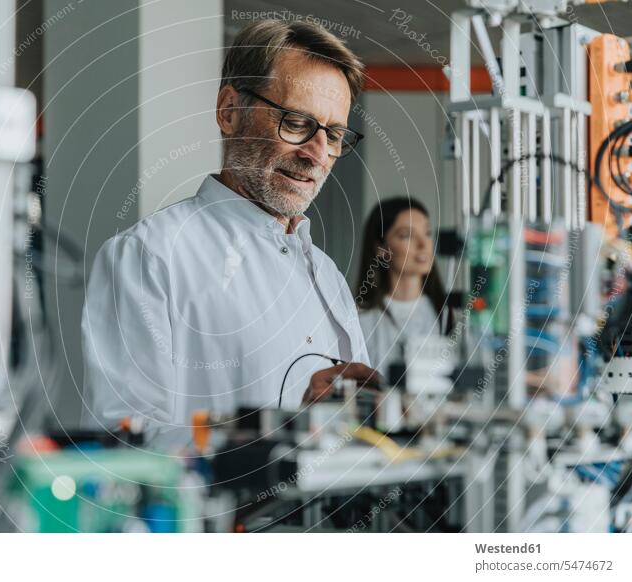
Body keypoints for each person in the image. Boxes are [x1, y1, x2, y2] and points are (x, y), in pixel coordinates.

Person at [82, 20, 379, 447]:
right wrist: (287, 432)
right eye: (296, 122)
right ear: (229, 111)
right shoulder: (149, 256)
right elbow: (128, 447)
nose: (317, 155)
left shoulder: (327, 275)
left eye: (333, 135)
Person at [355, 197, 451, 378]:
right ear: (382, 249)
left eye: (427, 233)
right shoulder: (359, 320)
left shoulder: (450, 315)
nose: (423, 245)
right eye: (407, 235)